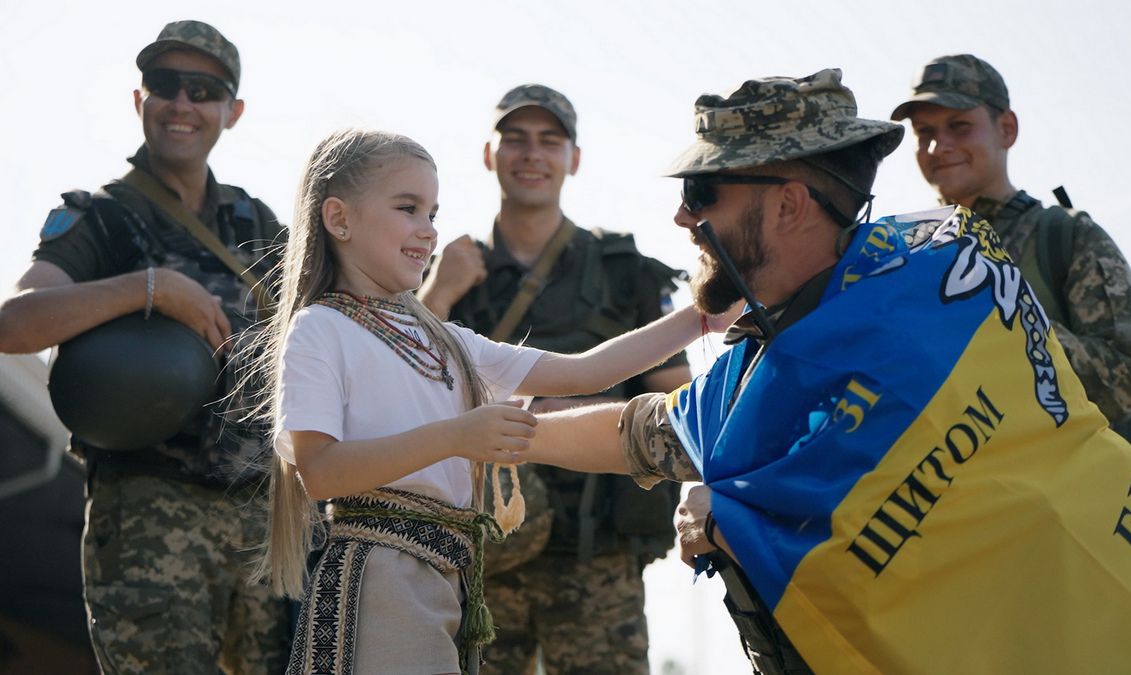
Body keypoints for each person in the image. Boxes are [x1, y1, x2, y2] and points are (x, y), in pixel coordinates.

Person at [518, 69, 1131, 674]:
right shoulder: (768, 359)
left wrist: (733, 511)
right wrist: (478, 425)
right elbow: (644, 433)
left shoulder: (933, 293)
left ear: (788, 204)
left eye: (704, 190)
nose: (683, 215)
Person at [254, 129, 729, 675]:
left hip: (448, 572)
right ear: (339, 219)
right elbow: (320, 472)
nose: (427, 231)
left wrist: (701, 318)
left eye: (433, 213)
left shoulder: (446, 339)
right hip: (377, 571)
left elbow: (584, 371)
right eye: (408, 209)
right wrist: (458, 436)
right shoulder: (320, 329)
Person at [0, 20, 290, 673]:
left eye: (203, 89)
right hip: (151, 515)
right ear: (140, 99)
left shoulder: (257, 224)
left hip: (262, 517)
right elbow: (14, 321)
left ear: (231, 111)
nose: (181, 104)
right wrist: (148, 287)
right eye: (165, 85)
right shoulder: (102, 216)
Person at [417, 83, 691, 674]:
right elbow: (402, 384)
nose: (531, 155)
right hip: (485, 556)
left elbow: (677, 403)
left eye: (549, 140)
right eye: (514, 139)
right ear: (489, 155)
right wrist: (437, 294)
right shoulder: (451, 272)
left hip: (598, 554)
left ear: (575, 159)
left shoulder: (624, 273)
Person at [889, 54, 1131, 508]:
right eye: (925, 133)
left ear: (1007, 129)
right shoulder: (910, 263)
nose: (938, 146)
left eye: (959, 127)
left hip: (1098, 521)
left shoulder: (1064, 237)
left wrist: (1000, 310)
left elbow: (1122, 386)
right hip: (983, 527)